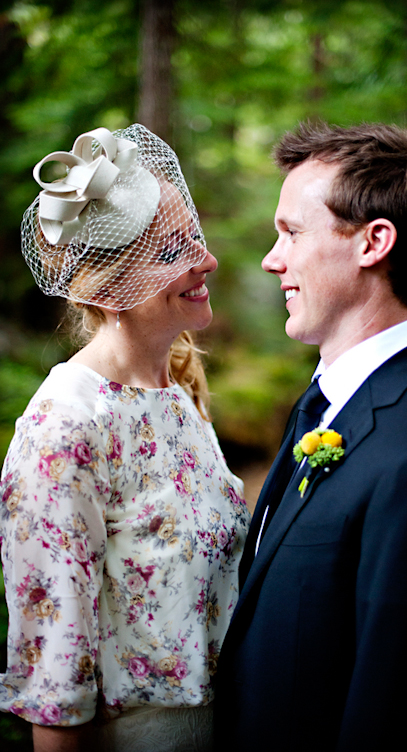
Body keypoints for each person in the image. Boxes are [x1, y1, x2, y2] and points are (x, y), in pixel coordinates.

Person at [214, 122, 407, 752]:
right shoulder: (324, 405)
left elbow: (400, 720)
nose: (272, 258)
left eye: (292, 232)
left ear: (373, 242)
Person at [0, 123, 250, 751]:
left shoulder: (178, 396)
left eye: (194, 234)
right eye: (174, 251)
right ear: (109, 291)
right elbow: (55, 680)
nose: (208, 259)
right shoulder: (65, 428)